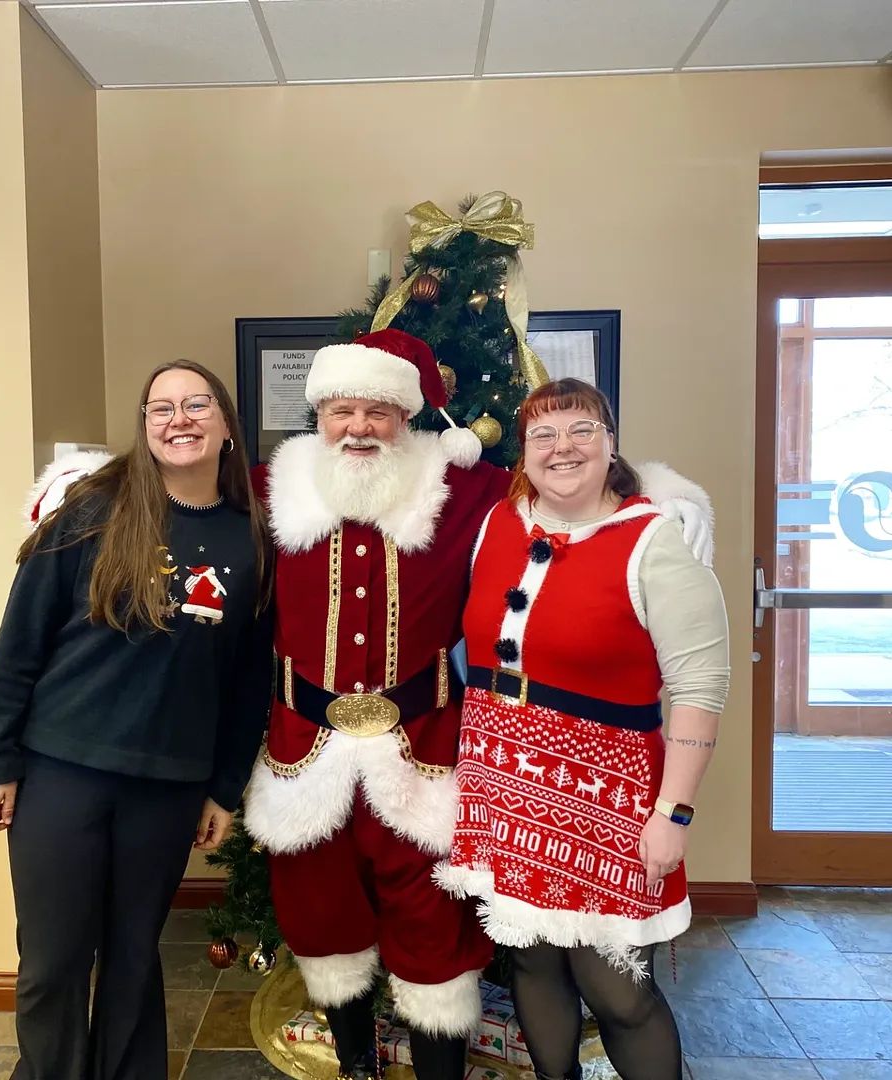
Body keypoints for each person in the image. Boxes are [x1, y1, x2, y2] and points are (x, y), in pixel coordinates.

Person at [240, 333, 716, 1080]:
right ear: (319, 415)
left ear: (409, 417)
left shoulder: (465, 490)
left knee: (434, 933)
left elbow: (575, 484)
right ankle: (356, 1065)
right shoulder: (270, 485)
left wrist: (673, 503)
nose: (358, 426)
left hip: (426, 750)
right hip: (303, 748)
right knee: (321, 921)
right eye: (341, 410)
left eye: (378, 410)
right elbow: (189, 508)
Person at [0, 360, 274, 1080]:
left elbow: (247, 682)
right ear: (144, 427)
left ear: (226, 424)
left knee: (135, 953)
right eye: (161, 408)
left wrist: (223, 789)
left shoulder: (251, 540)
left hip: (168, 786)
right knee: (53, 959)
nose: (180, 419)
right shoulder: (90, 513)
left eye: (197, 404)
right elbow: (20, 643)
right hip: (59, 774)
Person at [435, 378, 730, 1080]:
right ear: (523, 452)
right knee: (533, 963)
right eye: (543, 434)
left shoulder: (655, 539)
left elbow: (698, 689)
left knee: (616, 988)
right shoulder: (496, 523)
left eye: (581, 430)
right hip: (505, 784)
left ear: (611, 444)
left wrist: (674, 813)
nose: (562, 447)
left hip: (613, 801)